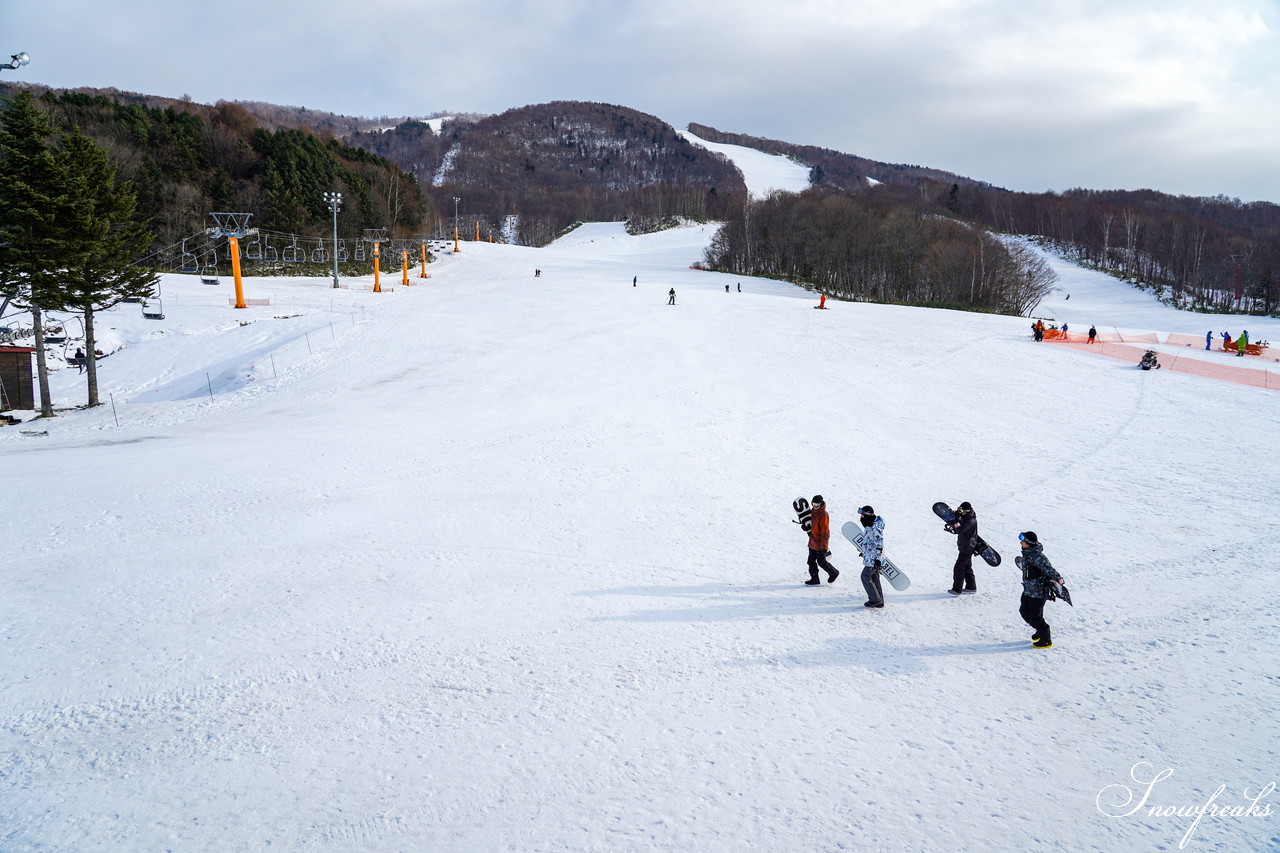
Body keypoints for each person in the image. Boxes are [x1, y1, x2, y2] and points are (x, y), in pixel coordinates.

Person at [1017, 531, 1065, 648]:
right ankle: (1039, 629)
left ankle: (1045, 638)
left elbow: (1049, 569)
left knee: (1035, 616)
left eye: (1023, 541)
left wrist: (1058, 580)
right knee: (1023, 611)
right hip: (1028, 589)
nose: (1020, 542)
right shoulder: (1027, 554)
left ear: (1029, 543)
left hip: (1038, 592)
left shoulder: (1038, 557)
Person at [804, 495, 839, 586]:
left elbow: (825, 531)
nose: (815, 507)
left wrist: (824, 546)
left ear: (821, 504)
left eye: (817, 505)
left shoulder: (824, 514)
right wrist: (805, 526)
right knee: (811, 561)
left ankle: (834, 573)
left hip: (820, 543)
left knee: (821, 562)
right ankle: (814, 578)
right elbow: (811, 524)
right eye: (813, 504)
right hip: (812, 541)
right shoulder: (813, 512)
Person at [946, 501, 979, 595]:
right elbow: (958, 529)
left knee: (959, 568)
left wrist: (956, 519)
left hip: (967, 548)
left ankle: (957, 589)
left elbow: (960, 529)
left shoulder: (971, 521)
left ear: (967, 511)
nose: (960, 512)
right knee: (967, 567)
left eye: (961, 510)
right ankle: (971, 587)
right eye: (959, 510)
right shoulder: (966, 518)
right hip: (965, 546)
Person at [856, 505, 885, 607]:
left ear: (868, 515)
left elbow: (879, 544)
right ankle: (879, 601)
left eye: (862, 516)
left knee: (865, 576)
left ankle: (874, 599)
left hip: (874, 559)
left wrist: (878, 559)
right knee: (874, 578)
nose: (861, 518)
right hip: (870, 557)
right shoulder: (870, 526)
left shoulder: (875, 528)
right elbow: (870, 542)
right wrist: (864, 552)